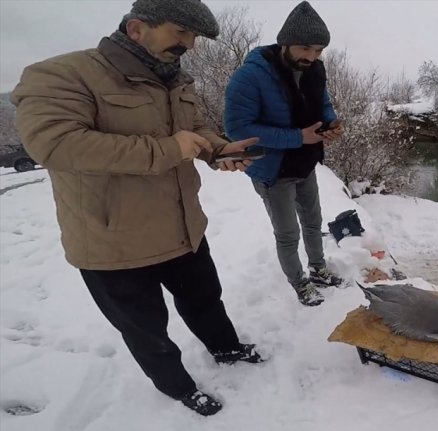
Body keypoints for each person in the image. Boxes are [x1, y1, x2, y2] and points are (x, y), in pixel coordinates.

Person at [11, 0, 263, 417]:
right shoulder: (61, 74)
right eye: (181, 33)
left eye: (193, 37)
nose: (190, 46)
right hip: (113, 242)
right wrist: (167, 150)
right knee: (146, 329)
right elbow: (54, 144)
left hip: (183, 227)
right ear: (136, 29)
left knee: (206, 301)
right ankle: (177, 387)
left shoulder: (176, 79)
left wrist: (217, 149)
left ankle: (227, 349)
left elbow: (191, 129)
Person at [223, 1, 344, 307]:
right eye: (305, 48)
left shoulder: (315, 68)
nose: (311, 56)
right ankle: (300, 283)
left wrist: (329, 123)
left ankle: (318, 270)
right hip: (272, 170)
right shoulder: (251, 75)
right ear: (285, 42)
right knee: (288, 234)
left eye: (318, 50)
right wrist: (297, 137)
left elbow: (323, 103)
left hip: (305, 163)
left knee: (314, 222)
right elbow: (237, 129)